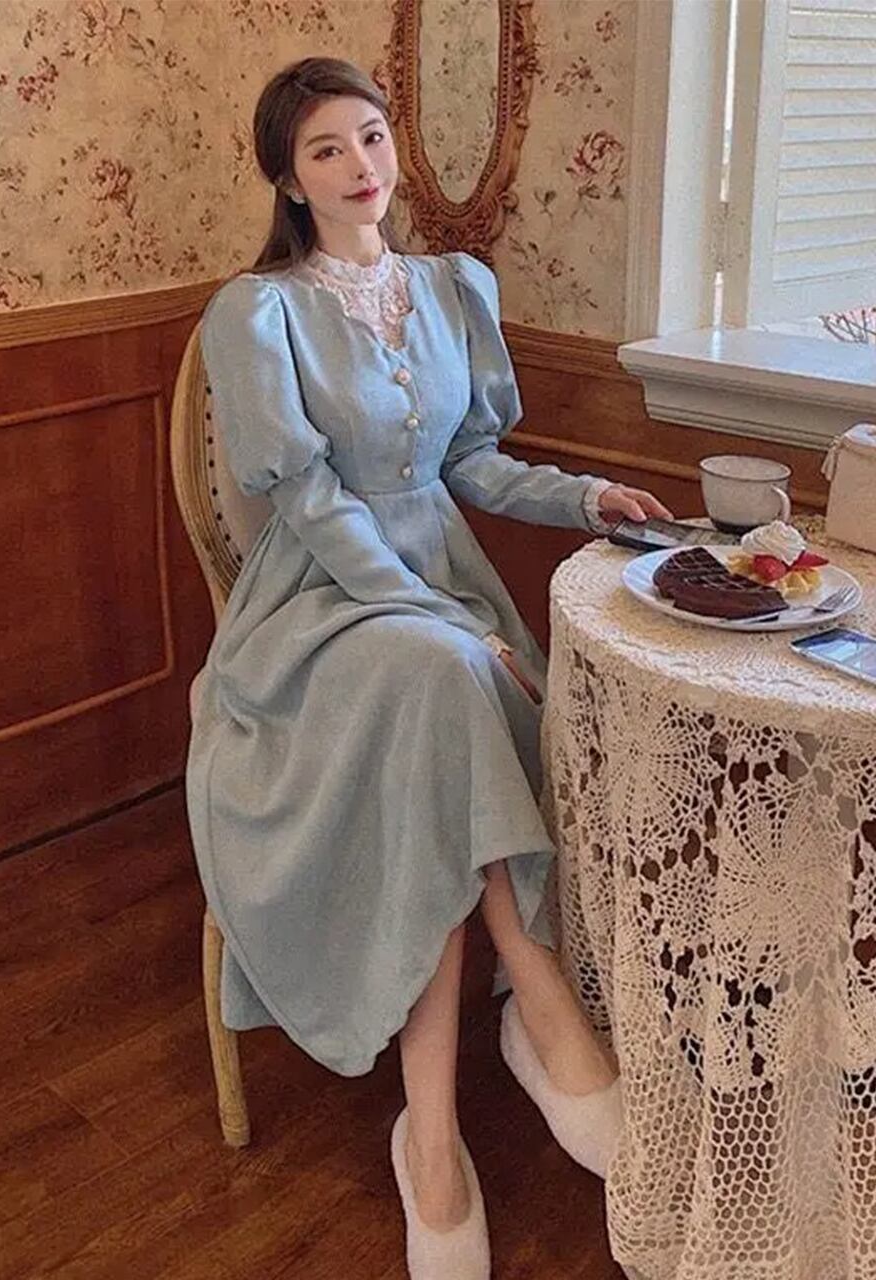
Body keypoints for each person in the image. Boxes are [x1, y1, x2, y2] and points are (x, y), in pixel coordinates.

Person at [187, 55, 672, 1280]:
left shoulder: (454, 287)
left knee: (447, 696)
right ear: (289, 181)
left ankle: (434, 1131)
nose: (362, 166)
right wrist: (428, 609)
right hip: (320, 608)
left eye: (371, 135)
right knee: (449, 675)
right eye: (326, 150)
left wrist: (588, 495)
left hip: (446, 606)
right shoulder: (258, 312)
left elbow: (472, 464)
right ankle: (539, 1010)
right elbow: (305, 501)